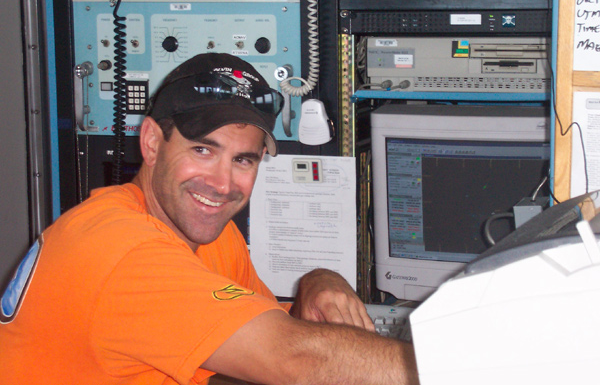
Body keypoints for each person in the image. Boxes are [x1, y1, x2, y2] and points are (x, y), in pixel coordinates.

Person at [0, 53, 418, 385]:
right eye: (203, 150)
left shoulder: (210, 234)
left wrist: (317, 279)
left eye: (243, 159)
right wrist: (459, 370)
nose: (222, 184)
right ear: (151, 143)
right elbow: (297, 359)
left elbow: (260, 336)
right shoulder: (119, 250)